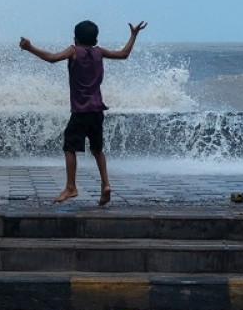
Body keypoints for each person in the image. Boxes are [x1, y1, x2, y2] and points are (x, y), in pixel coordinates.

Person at [19, 20, 148, 205]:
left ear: (76, 38)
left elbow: (52, 58)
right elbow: (123, 54)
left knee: (69, 147)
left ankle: (71, 187)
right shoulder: (99, 52)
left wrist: (30, 47)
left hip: (80, 112)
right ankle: (105, 185)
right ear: (96, 39)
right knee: (97, 150)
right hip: (97, 111)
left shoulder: (74, 51)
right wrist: (134, 35)